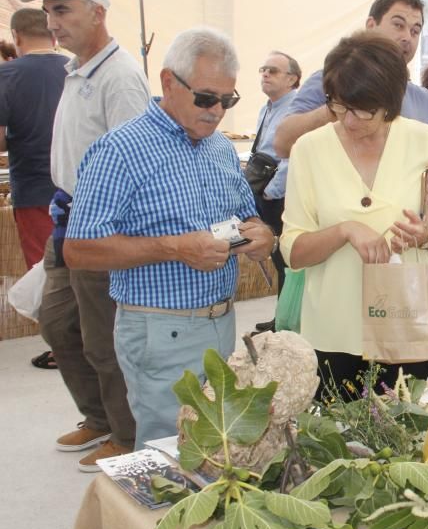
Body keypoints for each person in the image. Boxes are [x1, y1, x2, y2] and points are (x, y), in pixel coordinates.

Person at [63, 27, 275, 449]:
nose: (217, 111)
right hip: (159, 327)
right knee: (169, 450)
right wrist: (174, 247)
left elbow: (242, 214)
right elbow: (79, 249)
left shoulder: (217, 148)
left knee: (211, 441)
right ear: (167, 83)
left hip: (220, 321)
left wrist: (260, 234)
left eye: (227, 101)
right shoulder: (120, 150)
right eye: (206, 98)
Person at [281, 31, 428, 398]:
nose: (349, 120)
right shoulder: (309, 148)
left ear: (389, 101)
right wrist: (345, 231)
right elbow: (293, 250)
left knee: (407, 433)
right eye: (339, 105)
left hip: (406, 320)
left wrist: (421, 235)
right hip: (334, 329)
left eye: (364, 109)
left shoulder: (423, 140)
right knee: (336, 442)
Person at [22, 0, 149, 471]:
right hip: (67, 216)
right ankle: (97, 417)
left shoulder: (119, 78)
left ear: (98, 11)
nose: (54, 22)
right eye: (50, 12)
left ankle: (126, 431)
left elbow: (135, 162)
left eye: (64, 9)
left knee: (103, 337)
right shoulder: (79, 70)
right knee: (58, 325)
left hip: (99, 224)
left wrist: (109, 230)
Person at [272, 0, 428, 159]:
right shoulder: (329, 79)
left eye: (415, 31)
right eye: (398, 25)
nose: (407, 37)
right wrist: (339, 105)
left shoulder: (426, 101)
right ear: (371, 25)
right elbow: (282, 144)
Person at [0, 9, 66, 270]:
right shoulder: (78, 69)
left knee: (43, 276)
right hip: (80, 190)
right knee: (82, 277)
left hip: (33, 189)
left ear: (16, 36)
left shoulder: (7, 75)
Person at [250, 50, 301, 332]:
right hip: (264, 188)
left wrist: (272, 191)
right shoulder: (267, 107)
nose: (266, 75)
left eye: (273, 71)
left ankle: (286, 319)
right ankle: (281, 315)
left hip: (279, 194)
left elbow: (290, 156)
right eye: (263, 69)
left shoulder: (295, 109)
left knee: (285, 258)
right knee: (276, 257)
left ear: (292, 79)